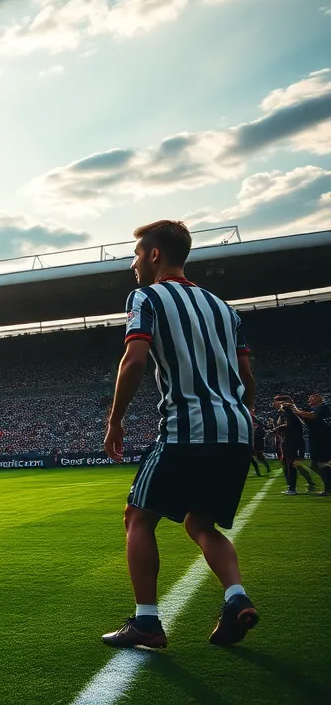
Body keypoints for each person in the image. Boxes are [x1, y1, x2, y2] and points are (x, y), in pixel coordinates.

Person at [102, 220, 258, 649]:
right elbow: (246, 374)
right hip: (235, 427)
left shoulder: (146, 297)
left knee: (138, 517)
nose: (133, 264)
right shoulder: (224, 309)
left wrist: (115, 421)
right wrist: (246, 419)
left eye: (137, 254)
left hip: (187, 426)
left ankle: (146, 621)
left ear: (154, 255)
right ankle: (236, 597)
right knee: (200, 522)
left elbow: (134, 360)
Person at [274, 395, 317, 495]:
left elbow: (293, 426)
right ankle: (298, 485)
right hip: (287, 441)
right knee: (288, 464)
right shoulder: (283, 413)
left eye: (276, 401)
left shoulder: (290, 411)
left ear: (282, 402)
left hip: (294, 441)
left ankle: (292, 488)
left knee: (293, 464)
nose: (273, 404)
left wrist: (280, 427)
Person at [290, 393, 331, 495]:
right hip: (316, 439)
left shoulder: (322, 408)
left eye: (311, 398)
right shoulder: (315, 410)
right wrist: (295, 410)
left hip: (323, 439)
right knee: (314, 465)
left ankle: (328, 489)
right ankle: (328, 485)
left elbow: (310, 416)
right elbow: (305, 418)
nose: (309, 400)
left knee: (322, 463)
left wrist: (293, 408)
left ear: (318, 399)